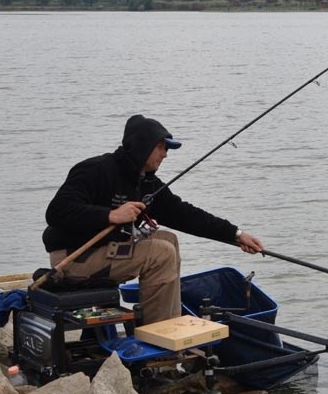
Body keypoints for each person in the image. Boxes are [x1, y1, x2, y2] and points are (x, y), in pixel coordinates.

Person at [43, 114, 264, 324]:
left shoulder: (146, 182)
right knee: (160, 253)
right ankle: (160, 337)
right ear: (142, 146)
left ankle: (168, 322)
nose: (165, 154)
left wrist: (236, 235)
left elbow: (184, 214)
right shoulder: (96, 169)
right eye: (161, 147)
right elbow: (57, 211)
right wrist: (111, 215)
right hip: (74, 258)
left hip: (105, 250)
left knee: (168, 240)